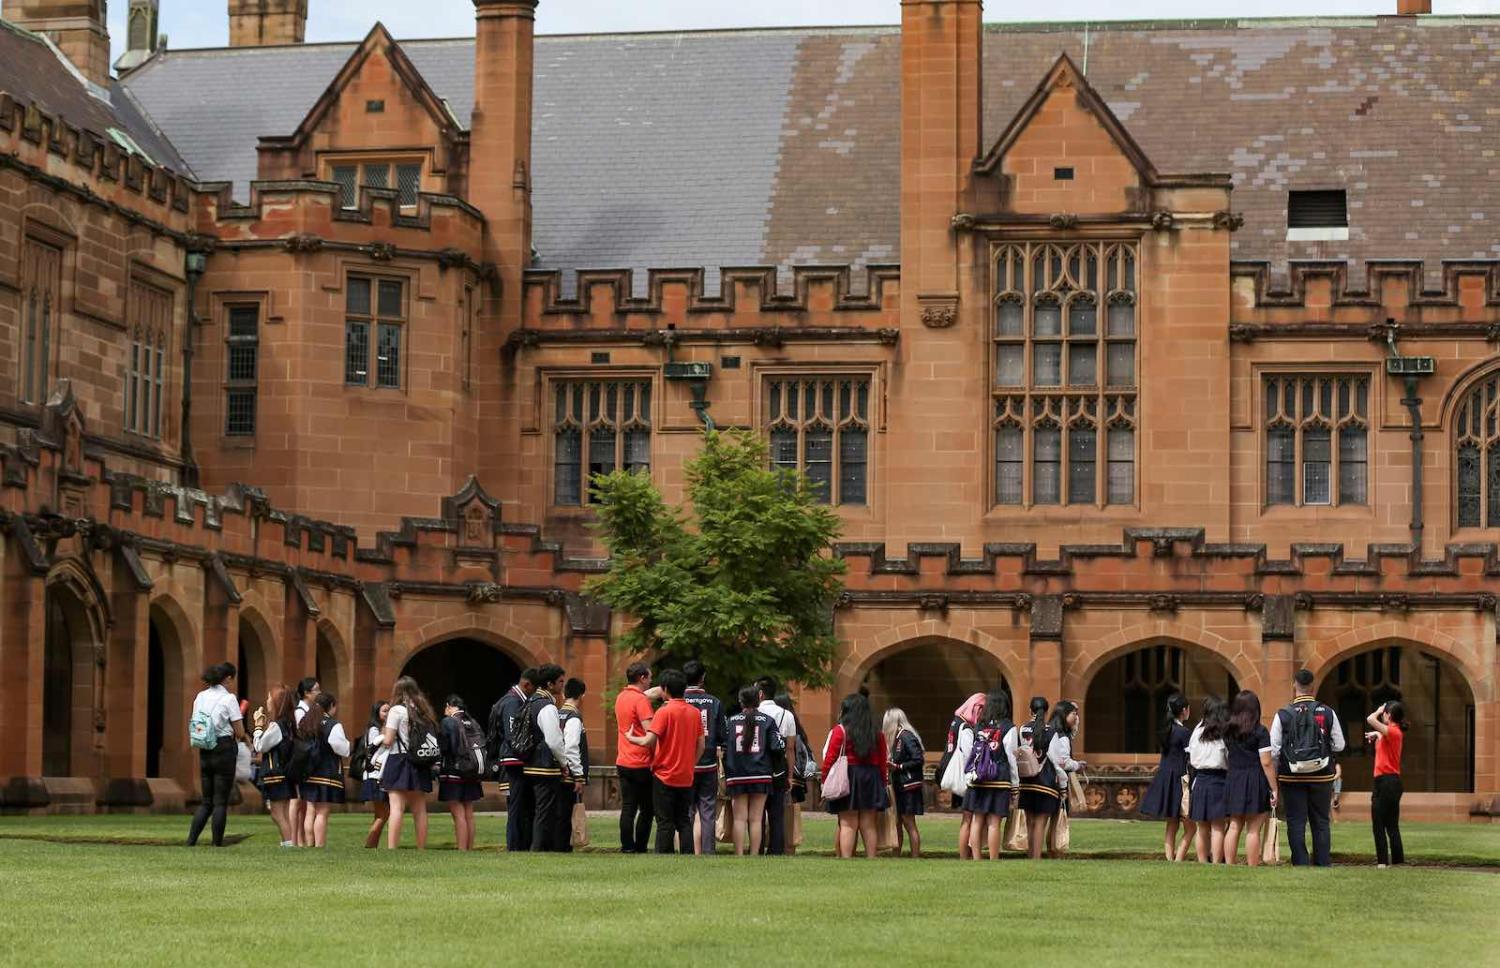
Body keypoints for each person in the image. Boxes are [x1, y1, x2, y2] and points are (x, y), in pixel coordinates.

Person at [1270, 669, 1346, 867]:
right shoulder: (1327, 712)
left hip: (1291, 777)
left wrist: (1277, 776)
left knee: (1296, 822)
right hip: (1321, 776)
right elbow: (1340, 745)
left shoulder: (1283, 714)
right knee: (1321, 821)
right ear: (1312, 687)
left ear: (1294, 685)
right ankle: (1322, 862)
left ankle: (1300, 863)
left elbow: (1274, 750)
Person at [627, 669, 706, 854]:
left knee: (664, 821)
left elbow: (649, 740)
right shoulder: (694, 713)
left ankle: (664, 855)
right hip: (686, 776)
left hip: (664, 774)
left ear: (665, 689)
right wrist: (691, 763)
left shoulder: (664, 712)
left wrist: (631, 738)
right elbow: (701, 745)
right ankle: (687, 855)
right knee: (684, 821)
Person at [186, 662, 250, 847]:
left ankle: (191, 840)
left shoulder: (200, 696)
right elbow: (239, 731)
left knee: (206, 801)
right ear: (227, 678)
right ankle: (216, 843)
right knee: (220, 801)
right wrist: (245, 739)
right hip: (223, 748)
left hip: (205, 748)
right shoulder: (229, 699)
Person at [822, 691, 889, 859]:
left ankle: (846, 858)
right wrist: (883, 782)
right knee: (869, 823)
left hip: (848, 775)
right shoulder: (877, 733)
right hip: (871, 776)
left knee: (847, 823)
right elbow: (883, 760)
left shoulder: (840, 731)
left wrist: (825, 780)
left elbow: (830, 758)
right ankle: (871, 857)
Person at [724, 686, 783, 856]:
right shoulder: (768, 720)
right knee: (756, 818)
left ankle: (739, 853)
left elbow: (725, 746)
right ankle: (755, 853)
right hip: (761, 773)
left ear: (740, 701)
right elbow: (777, 746)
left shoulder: (732, 720)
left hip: (737, 773)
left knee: (739, 818)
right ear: (759, 698)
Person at [380, 676, 436, 850]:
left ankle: (392, 848)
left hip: (399, 759)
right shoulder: (423, 709)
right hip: (420, 760)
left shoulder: (396, 710)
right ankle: (421, 848)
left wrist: (379, 738)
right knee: (419, 809)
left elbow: (388, 740)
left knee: (396, 807)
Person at [1139, 693, 1196, 861]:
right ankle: (1178, 859)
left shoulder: (1166, 730)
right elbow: (1191, 758)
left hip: (1164, 777)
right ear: (1184, 710)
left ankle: (1170, 859)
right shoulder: (1183, 732)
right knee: (1190, 827)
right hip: (1179, 778)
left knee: (1172, 823)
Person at [1223, 690, 1277, 866]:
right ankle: (1252, 865)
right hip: (1255, 779)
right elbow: (1267, 762)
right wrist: (1274, 788)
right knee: (1253, 829)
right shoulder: (1260, 731)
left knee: (1233, 825)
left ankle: (1229, 864)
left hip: (1234, 779)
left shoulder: (1228, 730)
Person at [963, 689, 1017, 862]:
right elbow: (1011, 757)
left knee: (977, 819)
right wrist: (1015, 784)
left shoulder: (979, 725)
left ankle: (977, 858)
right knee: (994, 822)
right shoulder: (1008, 726)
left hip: (979, 777)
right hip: (999, 777)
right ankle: (994, 859)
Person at [489, 668, 535, 852]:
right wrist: (526, 752)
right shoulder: (512, 702)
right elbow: (512, 734)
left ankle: (519, 844)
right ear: (526, 685)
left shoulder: (512, 700)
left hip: (511, 757)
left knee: (519, 805)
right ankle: (515, 846)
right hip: (513, 759)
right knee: (516, 806)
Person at [682, 660, 726, 856]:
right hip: (708, 762)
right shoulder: (714, 702)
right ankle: (708, 851)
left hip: (684, 763)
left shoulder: (678, 700)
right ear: (703, 678)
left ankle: (688, 850)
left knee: (687, 810)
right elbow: (723, 736)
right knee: (708, 810)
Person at [524, 664, 570, 852]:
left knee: (536, 809)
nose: (562, 686)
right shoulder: (547, 706)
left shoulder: (532, 701)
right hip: (543, 765)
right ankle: (540, 847)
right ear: (550, 684)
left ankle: (537, 844)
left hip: (530, 762)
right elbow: (553, 740)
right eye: (560, 682)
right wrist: (564, 762)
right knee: (545, 810)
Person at [297, 692, 349, 848]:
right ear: (331, 706)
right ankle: (319, 845)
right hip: (327, 772)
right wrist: (348, 746)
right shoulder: (333, 724)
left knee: (310, 809)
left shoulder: (305, 722)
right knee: (322, 811)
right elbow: (340, 747)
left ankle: (309, 843)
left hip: (308, 772)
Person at [614, 662, 656, 854]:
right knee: (647, 808)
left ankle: (627, 846)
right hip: (641, 761)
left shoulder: (622, 696)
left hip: (623, 759)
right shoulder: (641, 701)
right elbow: (650, 732)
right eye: (650, 677)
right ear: (642, 678)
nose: (651, 680)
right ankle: (640, 846)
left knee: (628, 807)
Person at [252, 684, 299, 847]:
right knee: (283, 813)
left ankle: (288, 844)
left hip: (275, 773)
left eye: (269, 698)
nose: (267, 701)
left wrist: (258, 726)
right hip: (285, 773)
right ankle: (287, 842)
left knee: (277, 813)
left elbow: (260, 746)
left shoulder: (277, 725)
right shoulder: (289, 724)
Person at [757, 676, 799, 855]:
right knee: (777, 813)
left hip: (757, 766)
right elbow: (790, 749)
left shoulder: (753, 712)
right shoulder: (787, 715)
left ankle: (756, 848)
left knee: (756, 814)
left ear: (759, 693)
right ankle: (775, 850)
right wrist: (790, 775)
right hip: (778, 769)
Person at [1016, 696, 1060, 860]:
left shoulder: (1022, 729)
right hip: (1046, 782)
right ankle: (1036, 858)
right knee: (1041, 822)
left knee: (1030, 822)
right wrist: (1062, 785)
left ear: (1030, 710)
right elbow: (1056, 759)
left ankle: (1030, 855)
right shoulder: (1051, 731)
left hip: (1027, 781)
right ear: (1046, 711)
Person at [1366, 699, 1408, 868]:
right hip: (1391, 782)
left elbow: (1370, 719)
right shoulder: (1392, 732)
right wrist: (1375, 735)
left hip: (1386, 782)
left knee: (1379, 823)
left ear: (1389, 715)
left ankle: (1382, 861)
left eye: (1385, 713)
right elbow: (1381, 733)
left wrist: (1378, 710)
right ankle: (1397, 861)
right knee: (1391, 824)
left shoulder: (1393, 732)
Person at [1187, 694, 1230, 863]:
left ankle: (1202, 861)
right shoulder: (1224, 732)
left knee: (1202, 827)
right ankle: (1217, 861)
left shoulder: (1197, 731)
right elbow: (1228, 758)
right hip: (1219, 780)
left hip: (1201, 780)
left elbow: (1192, 757)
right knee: (1218, 826)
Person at [943, 693, 986, 859]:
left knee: (968, 819)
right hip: (966, 778)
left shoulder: (957, 722)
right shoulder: (966, 727)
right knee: (968, 819)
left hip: (961, 775)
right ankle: (964, 856)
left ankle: (967, 855)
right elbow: (969, 754)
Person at [439, 695, 483, 852]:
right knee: (468, 813)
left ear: (449, 706)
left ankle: (462, 849)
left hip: (454, 769)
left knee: (458, 813)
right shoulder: (473, 721)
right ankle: (469, 848)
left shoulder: (448, 722)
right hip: (472, 771)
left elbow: (445, 747)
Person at [883, 707, 925, 858]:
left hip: (909, 785)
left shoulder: (906, 736)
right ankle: (896, 855)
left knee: (909, 822)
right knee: (898, 822)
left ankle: (915, 856)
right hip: (899, 785)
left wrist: (898, 766)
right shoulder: (898, 738)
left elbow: (918, 759)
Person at [557, 677, 589, 853]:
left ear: (563, 694)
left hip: (557, 771)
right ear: (582, 695)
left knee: (559, 812)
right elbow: (571, 747)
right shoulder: (574, 717)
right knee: (565, 813)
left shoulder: (557, 713)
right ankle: (562, 847)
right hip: (569, 773)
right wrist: (578, 775)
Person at [292, 676, 321, 847]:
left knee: (303, 802)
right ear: (306, 693)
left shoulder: (311, 711)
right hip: (300, 760)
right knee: (296, 801)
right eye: (316, 690)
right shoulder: (299, 712)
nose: (319, 693)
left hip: (308, 760)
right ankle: (296, 839)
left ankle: (302, 838)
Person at [360, 701, 391, 848]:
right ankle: (369, 845)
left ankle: (373, 845)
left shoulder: (383, 729)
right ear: (377, 713)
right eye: (384, 711)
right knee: (384, 814)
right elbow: (373, 747)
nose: (387, 714)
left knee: (380, 814)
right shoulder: (375, 729)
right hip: (374, 774)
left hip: (377, 774)